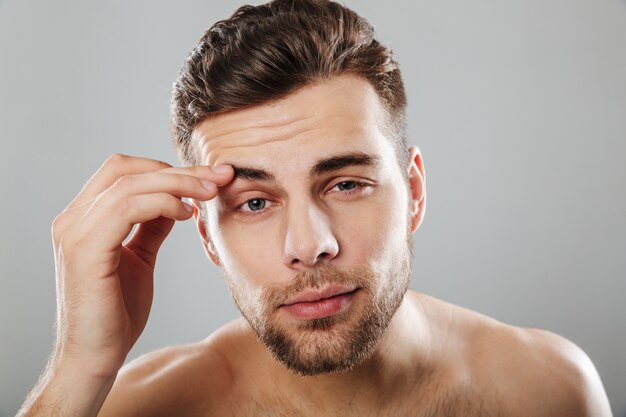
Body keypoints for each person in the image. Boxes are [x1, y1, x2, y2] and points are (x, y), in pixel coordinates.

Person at [18, 0, 613, 416]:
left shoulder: (547, 390)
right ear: (206, 236)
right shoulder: (129, 409)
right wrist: (79, 369)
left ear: (414, 194)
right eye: (254, 202)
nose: (308, 245)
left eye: (346, 185)